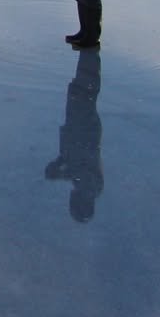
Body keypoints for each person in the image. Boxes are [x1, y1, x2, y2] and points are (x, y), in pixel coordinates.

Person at [44, 48, 104, 221]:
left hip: (78, 128)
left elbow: (73, 162)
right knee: (84, 89)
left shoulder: (84, 187)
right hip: (83, 129)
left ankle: (88, 48)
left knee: (81, 88)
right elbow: (82, 169)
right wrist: (60, 173)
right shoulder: (91, 189)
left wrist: (59, 163)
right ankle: (89, 47)